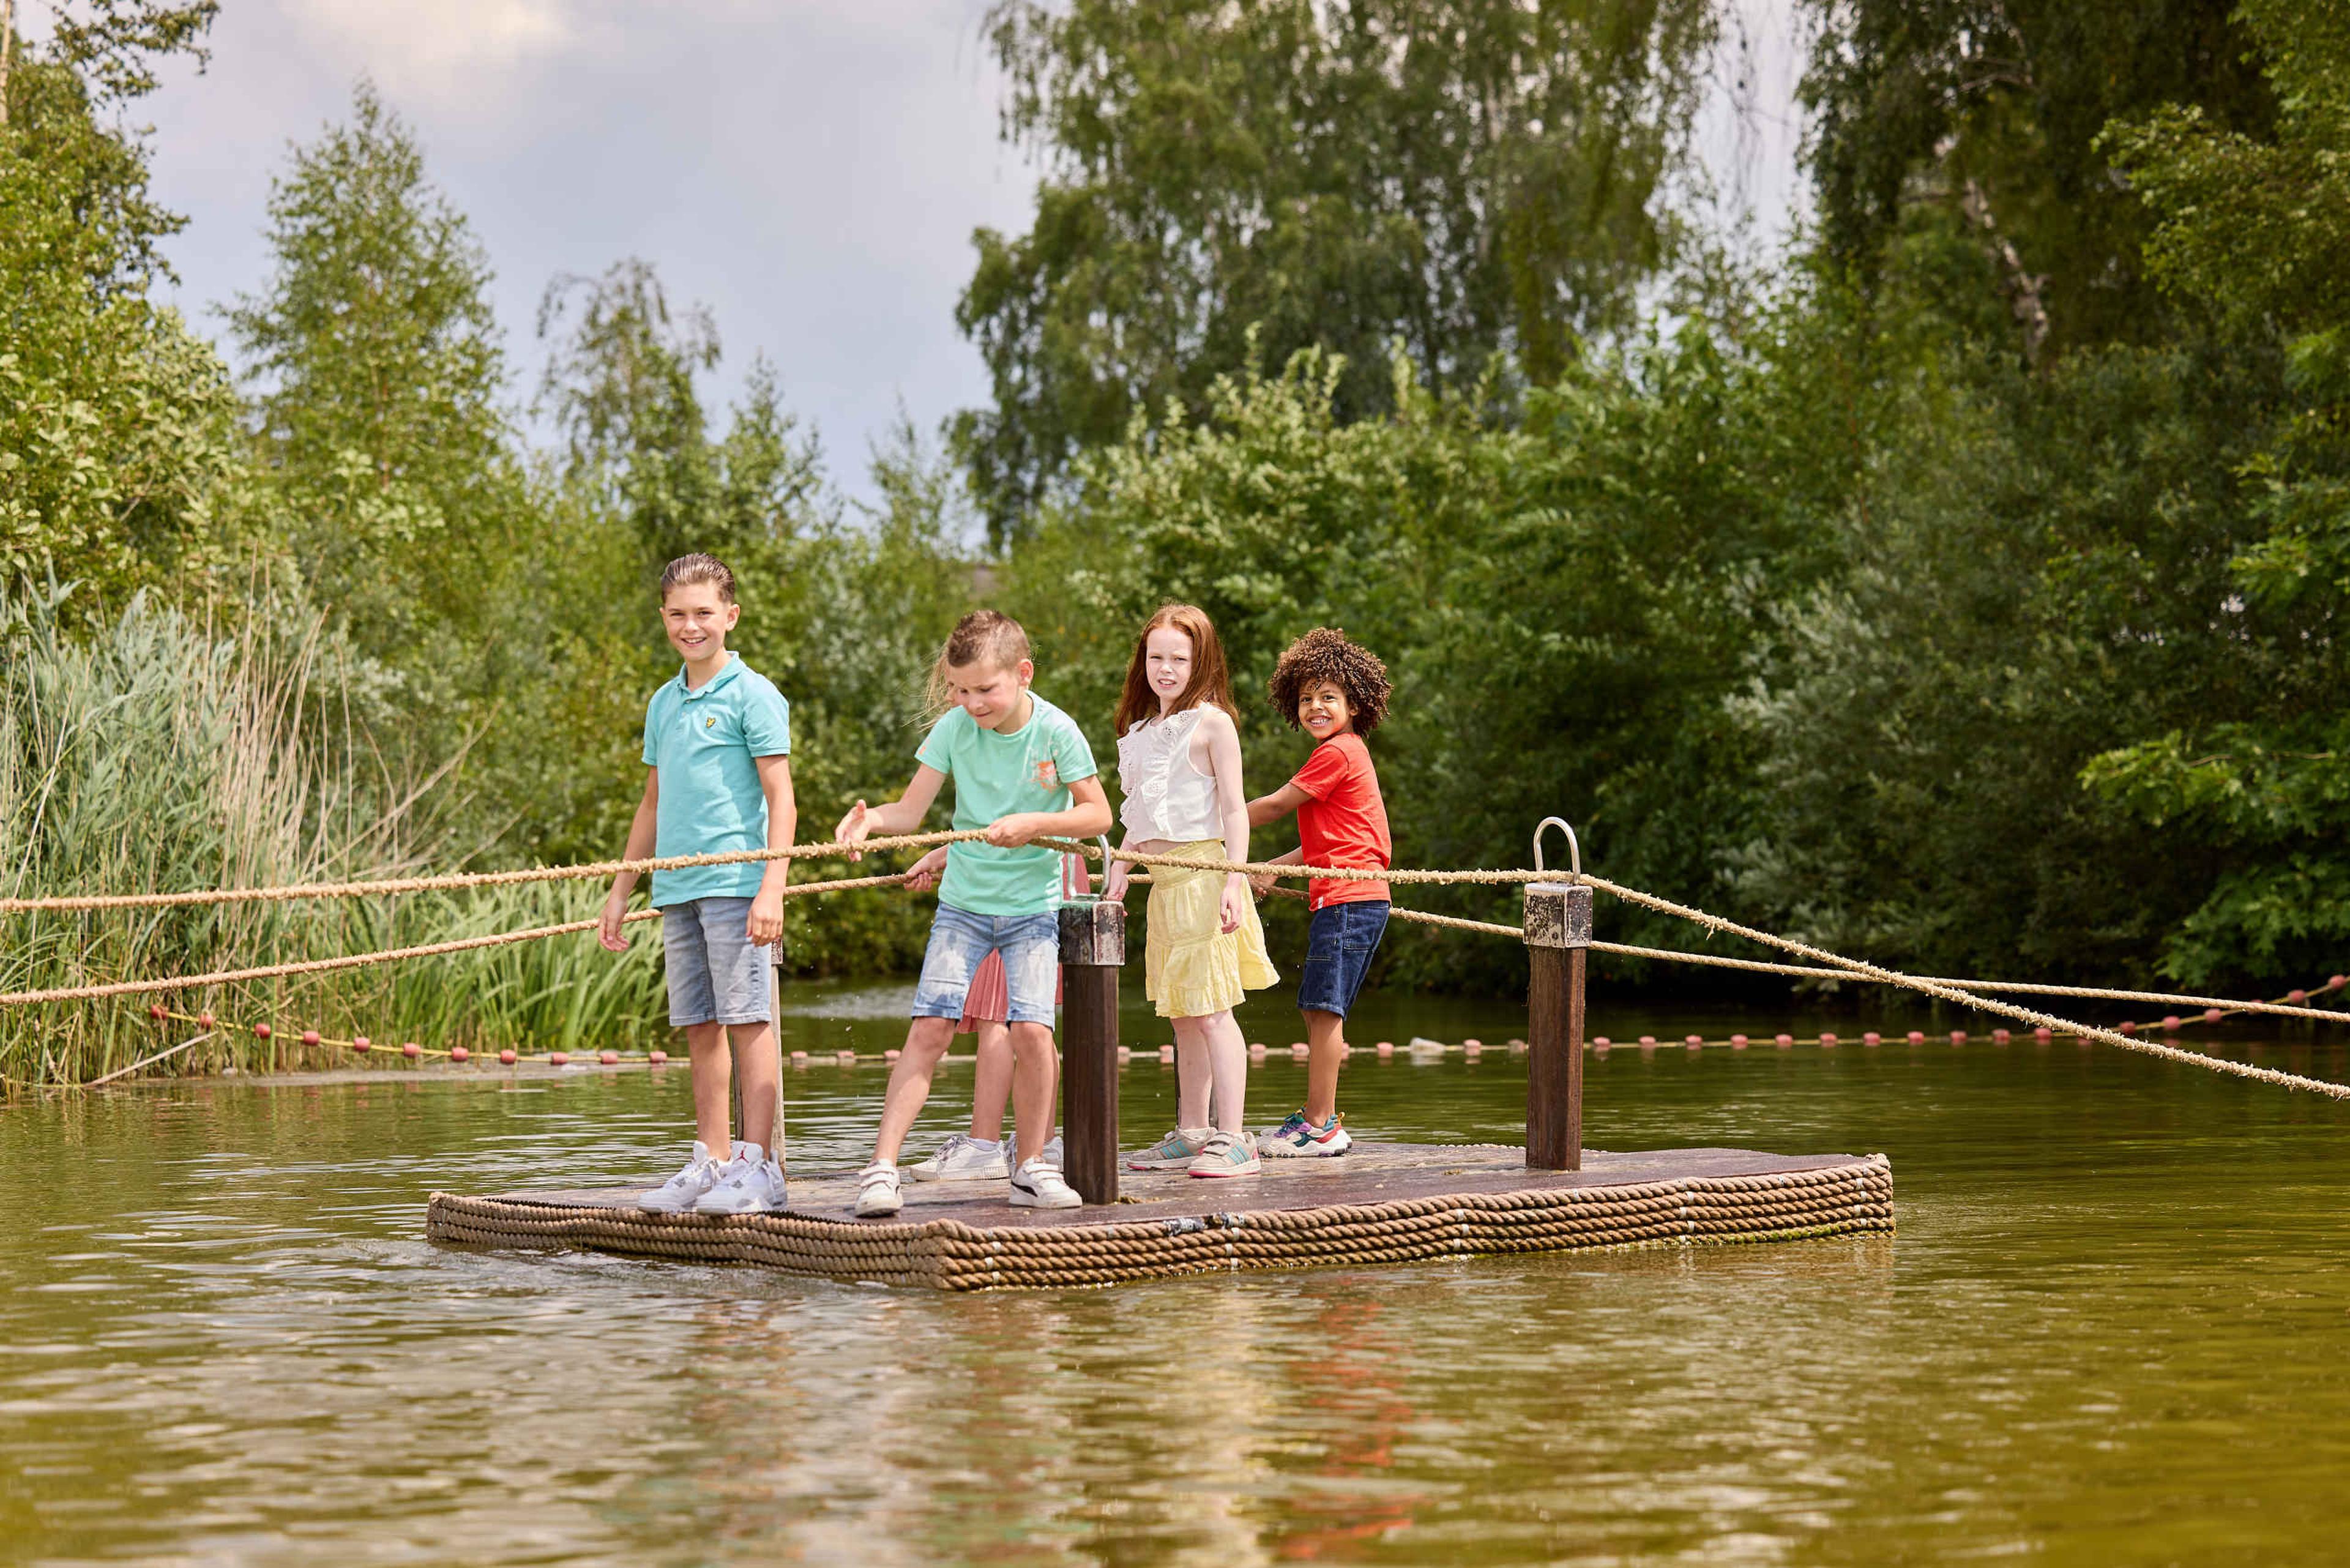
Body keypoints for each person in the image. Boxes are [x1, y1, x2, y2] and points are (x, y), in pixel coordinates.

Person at [838, 610, 1112, 1216]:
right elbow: (909, 810)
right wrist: (873, 820)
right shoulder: (954, 729)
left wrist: (1037, 822)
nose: (972, 702)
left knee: (1033, 1033)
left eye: (985, 689)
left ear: (1022, 674)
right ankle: (882, 1170)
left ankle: (1031, 1166)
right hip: (962, 906)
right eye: (960, 690)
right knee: (929, 1030)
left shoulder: (1057, 732)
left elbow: (1097, 816)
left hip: (1031, 910)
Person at [602, 554, 797, 1213]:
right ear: (664, 618)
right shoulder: (664, 701)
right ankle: (711, 1161)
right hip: (677, 888)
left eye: (704, 614)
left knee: (748, 1019)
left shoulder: (753, 694)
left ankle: (758, 1165)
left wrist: (772, 887)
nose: (692, 626)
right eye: (679, 615)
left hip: (737, 884)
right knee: (699, 1024)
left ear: (730, 617)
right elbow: (653, 803)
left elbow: (782, 797)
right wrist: (623, 888)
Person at [1106, 604, 1279, 1178]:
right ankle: (1193, 1130)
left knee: (1212, 1012)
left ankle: (1236, 1140)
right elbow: (1141, 817)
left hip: (1206, 878)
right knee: (1182, 1014)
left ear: (1199, 661)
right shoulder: (1139, 733)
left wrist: (1235, 878)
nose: (1166, 669)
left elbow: (1234, 809)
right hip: (1162, 887)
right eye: (1157, 657)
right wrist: (1119, 874)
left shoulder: (1212, 723)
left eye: (1179, 658)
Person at [1244, 627, 1394, 1157]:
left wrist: (1211, 828)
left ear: (1355, 703)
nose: (1316, 707)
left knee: (1325, 1010)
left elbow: (1276, 806)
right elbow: (1327, 844)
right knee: (1317, 1009)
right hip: (1345, 896)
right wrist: (1272, 868)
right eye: (1306, 698)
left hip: (1352, 901)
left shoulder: (1338, 753)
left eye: (1328, 696)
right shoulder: (1341, 754)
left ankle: (1321, 1125)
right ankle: (1320, 1117)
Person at [896, 857, 1075, 1181]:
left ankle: (984, 1145)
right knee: (1032, 1018)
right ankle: (1041, 1142)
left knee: (997, 1012)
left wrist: (942, 856)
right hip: (1046, 873)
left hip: (1013, 880)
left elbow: (1001, 821)